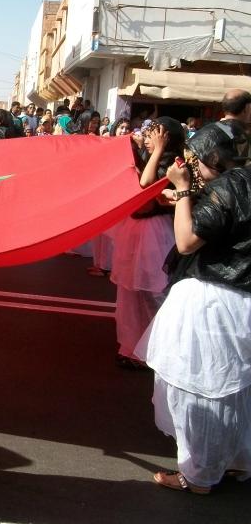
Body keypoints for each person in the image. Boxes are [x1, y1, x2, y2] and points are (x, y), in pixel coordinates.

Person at [135, 124, 251, 494]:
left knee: (198, 389)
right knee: (237, 391)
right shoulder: (242, 182)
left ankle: (199, 475)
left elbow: (186, 242)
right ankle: (235, 461)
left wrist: (184, 190)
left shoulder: (225, 188)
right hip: (242, 300)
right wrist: (186, 196)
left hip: (214, 301)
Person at [110, 117, 185, 368]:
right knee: (130, 294)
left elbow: (146, 185)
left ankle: (158, 350)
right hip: (136, 230)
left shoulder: (174, 163)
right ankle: (132, 347)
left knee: (155, 293)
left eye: (154, 134)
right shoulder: (147, 157)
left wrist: (159, 150)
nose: (148, 138)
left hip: (155, 233)